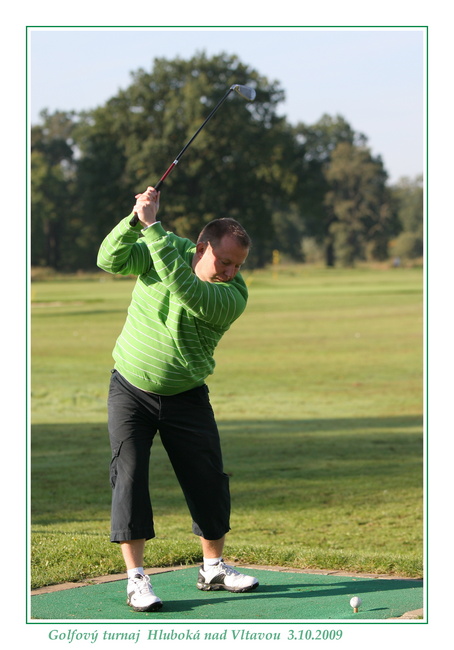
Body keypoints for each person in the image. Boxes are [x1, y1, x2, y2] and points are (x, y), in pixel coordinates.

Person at [97, 186, 258, 612]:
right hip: (130, 389)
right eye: (224, 261)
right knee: (129, 478)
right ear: (202, 248)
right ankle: (136, 579)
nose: (230, 271)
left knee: (207, 479)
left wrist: (153, 228)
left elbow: (185, 288)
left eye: (238, 265)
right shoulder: (164, 247)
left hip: (186, 395)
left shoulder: (232, 296)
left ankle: (213, 567)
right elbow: (109, 259)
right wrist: (135, 220)